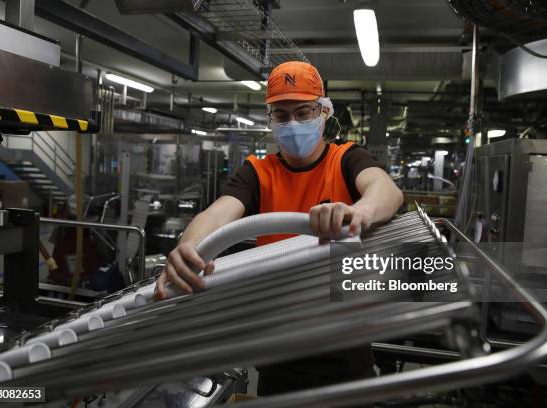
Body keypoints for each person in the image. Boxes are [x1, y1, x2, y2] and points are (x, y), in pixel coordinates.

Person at [156, 61, 403, 396]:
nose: (293, 123)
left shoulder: (345, 159)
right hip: (279, 347)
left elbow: (386, 190)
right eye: (282, 115)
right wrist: (190, 246)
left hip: (345, 347)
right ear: (270, 117)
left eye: (303, 112)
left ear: (323, 112)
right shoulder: (259, 172)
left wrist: (358, 211)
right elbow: (217, 215)